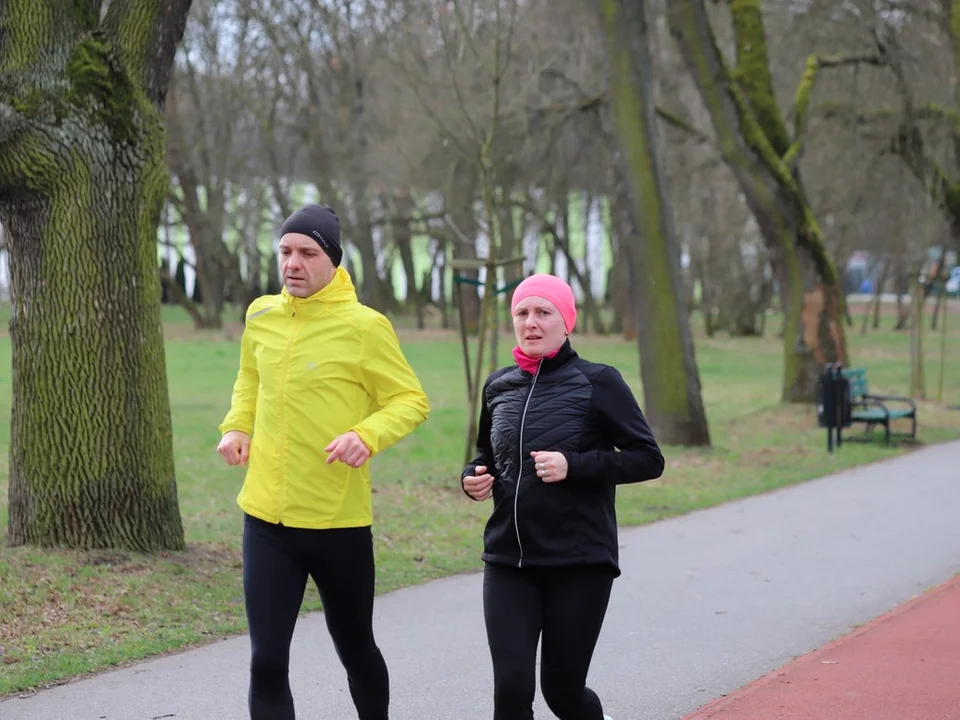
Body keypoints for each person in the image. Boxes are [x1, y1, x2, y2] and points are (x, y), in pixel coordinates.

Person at [217, 203, 430, 720]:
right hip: (267, 520)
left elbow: (410, 400)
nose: (293, 263)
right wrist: (236, 426)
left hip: (337, 522)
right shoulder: (261, 314)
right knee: (267, 660)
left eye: (307, 253)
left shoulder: (364, 327)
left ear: (332, 260)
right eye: (286, 251)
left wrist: (367, 434)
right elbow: (250, 378)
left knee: (355, 647)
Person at [461, 273, 664, 720]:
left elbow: (648, 458)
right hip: (509, 560)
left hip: (578, 563)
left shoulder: (599, 382)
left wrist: (576, 465)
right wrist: (472, 478)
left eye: (543, 312)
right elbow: (485, 454)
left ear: (566, 322)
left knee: (562, 692)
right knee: (511, 690)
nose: (531, 323)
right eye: (521, 313)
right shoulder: (498, 386)